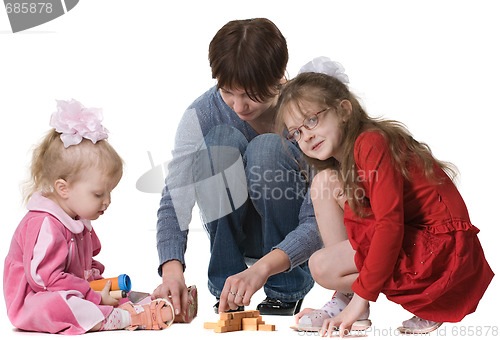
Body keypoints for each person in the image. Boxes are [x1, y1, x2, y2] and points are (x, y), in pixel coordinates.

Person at [275, 57, 494, 336]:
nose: (306, 136)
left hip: (440, 253)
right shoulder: (350, 158)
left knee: (321, 264)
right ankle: (345, 298)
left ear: (344, 110)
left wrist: (361, 299)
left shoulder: (371, 143)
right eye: (296, 132)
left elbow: (389, 226)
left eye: (312, 120)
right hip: (416, 237)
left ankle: (359, 301)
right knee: (323, 183)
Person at [152, 18, 321, 316]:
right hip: (237, 237)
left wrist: (272, 264)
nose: (238, 106)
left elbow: (325, 211)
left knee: (267, 148)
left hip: (296, 243)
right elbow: (175, 196)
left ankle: (286, 289)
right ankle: (227, 285)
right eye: (228, 92)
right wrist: (172, 270)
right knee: (218, 142)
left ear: (280, 77)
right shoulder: (203, 112)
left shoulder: (310, 112)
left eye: (251, 94)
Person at [3, 99, 174, 334]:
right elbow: (44, 281)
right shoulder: (44, 224)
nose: (107, 201)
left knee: (113, 291)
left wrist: (99, 286)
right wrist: (91, 293)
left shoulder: (79, 219)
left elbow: (87, 265)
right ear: (64, 188)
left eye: (109, 192)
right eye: (98, 194)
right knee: (61, 306)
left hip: (74, 290)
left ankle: (141, 304)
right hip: (36, 300)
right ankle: (124, 318)